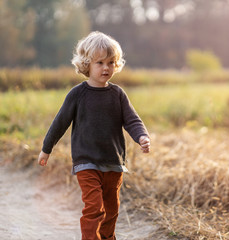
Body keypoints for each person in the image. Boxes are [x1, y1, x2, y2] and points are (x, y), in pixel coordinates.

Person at [37, 31, 150, 240]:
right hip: (86, 162)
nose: (106, 68)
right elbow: (59, 123)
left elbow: (132, 120)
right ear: (86, 64)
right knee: (94, 206)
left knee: (111, 209)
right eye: (100, 62)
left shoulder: (118, 95)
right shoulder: (77, 95)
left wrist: (141, 136)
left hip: (113, 163)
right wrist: (46, 149)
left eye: (111, 62)